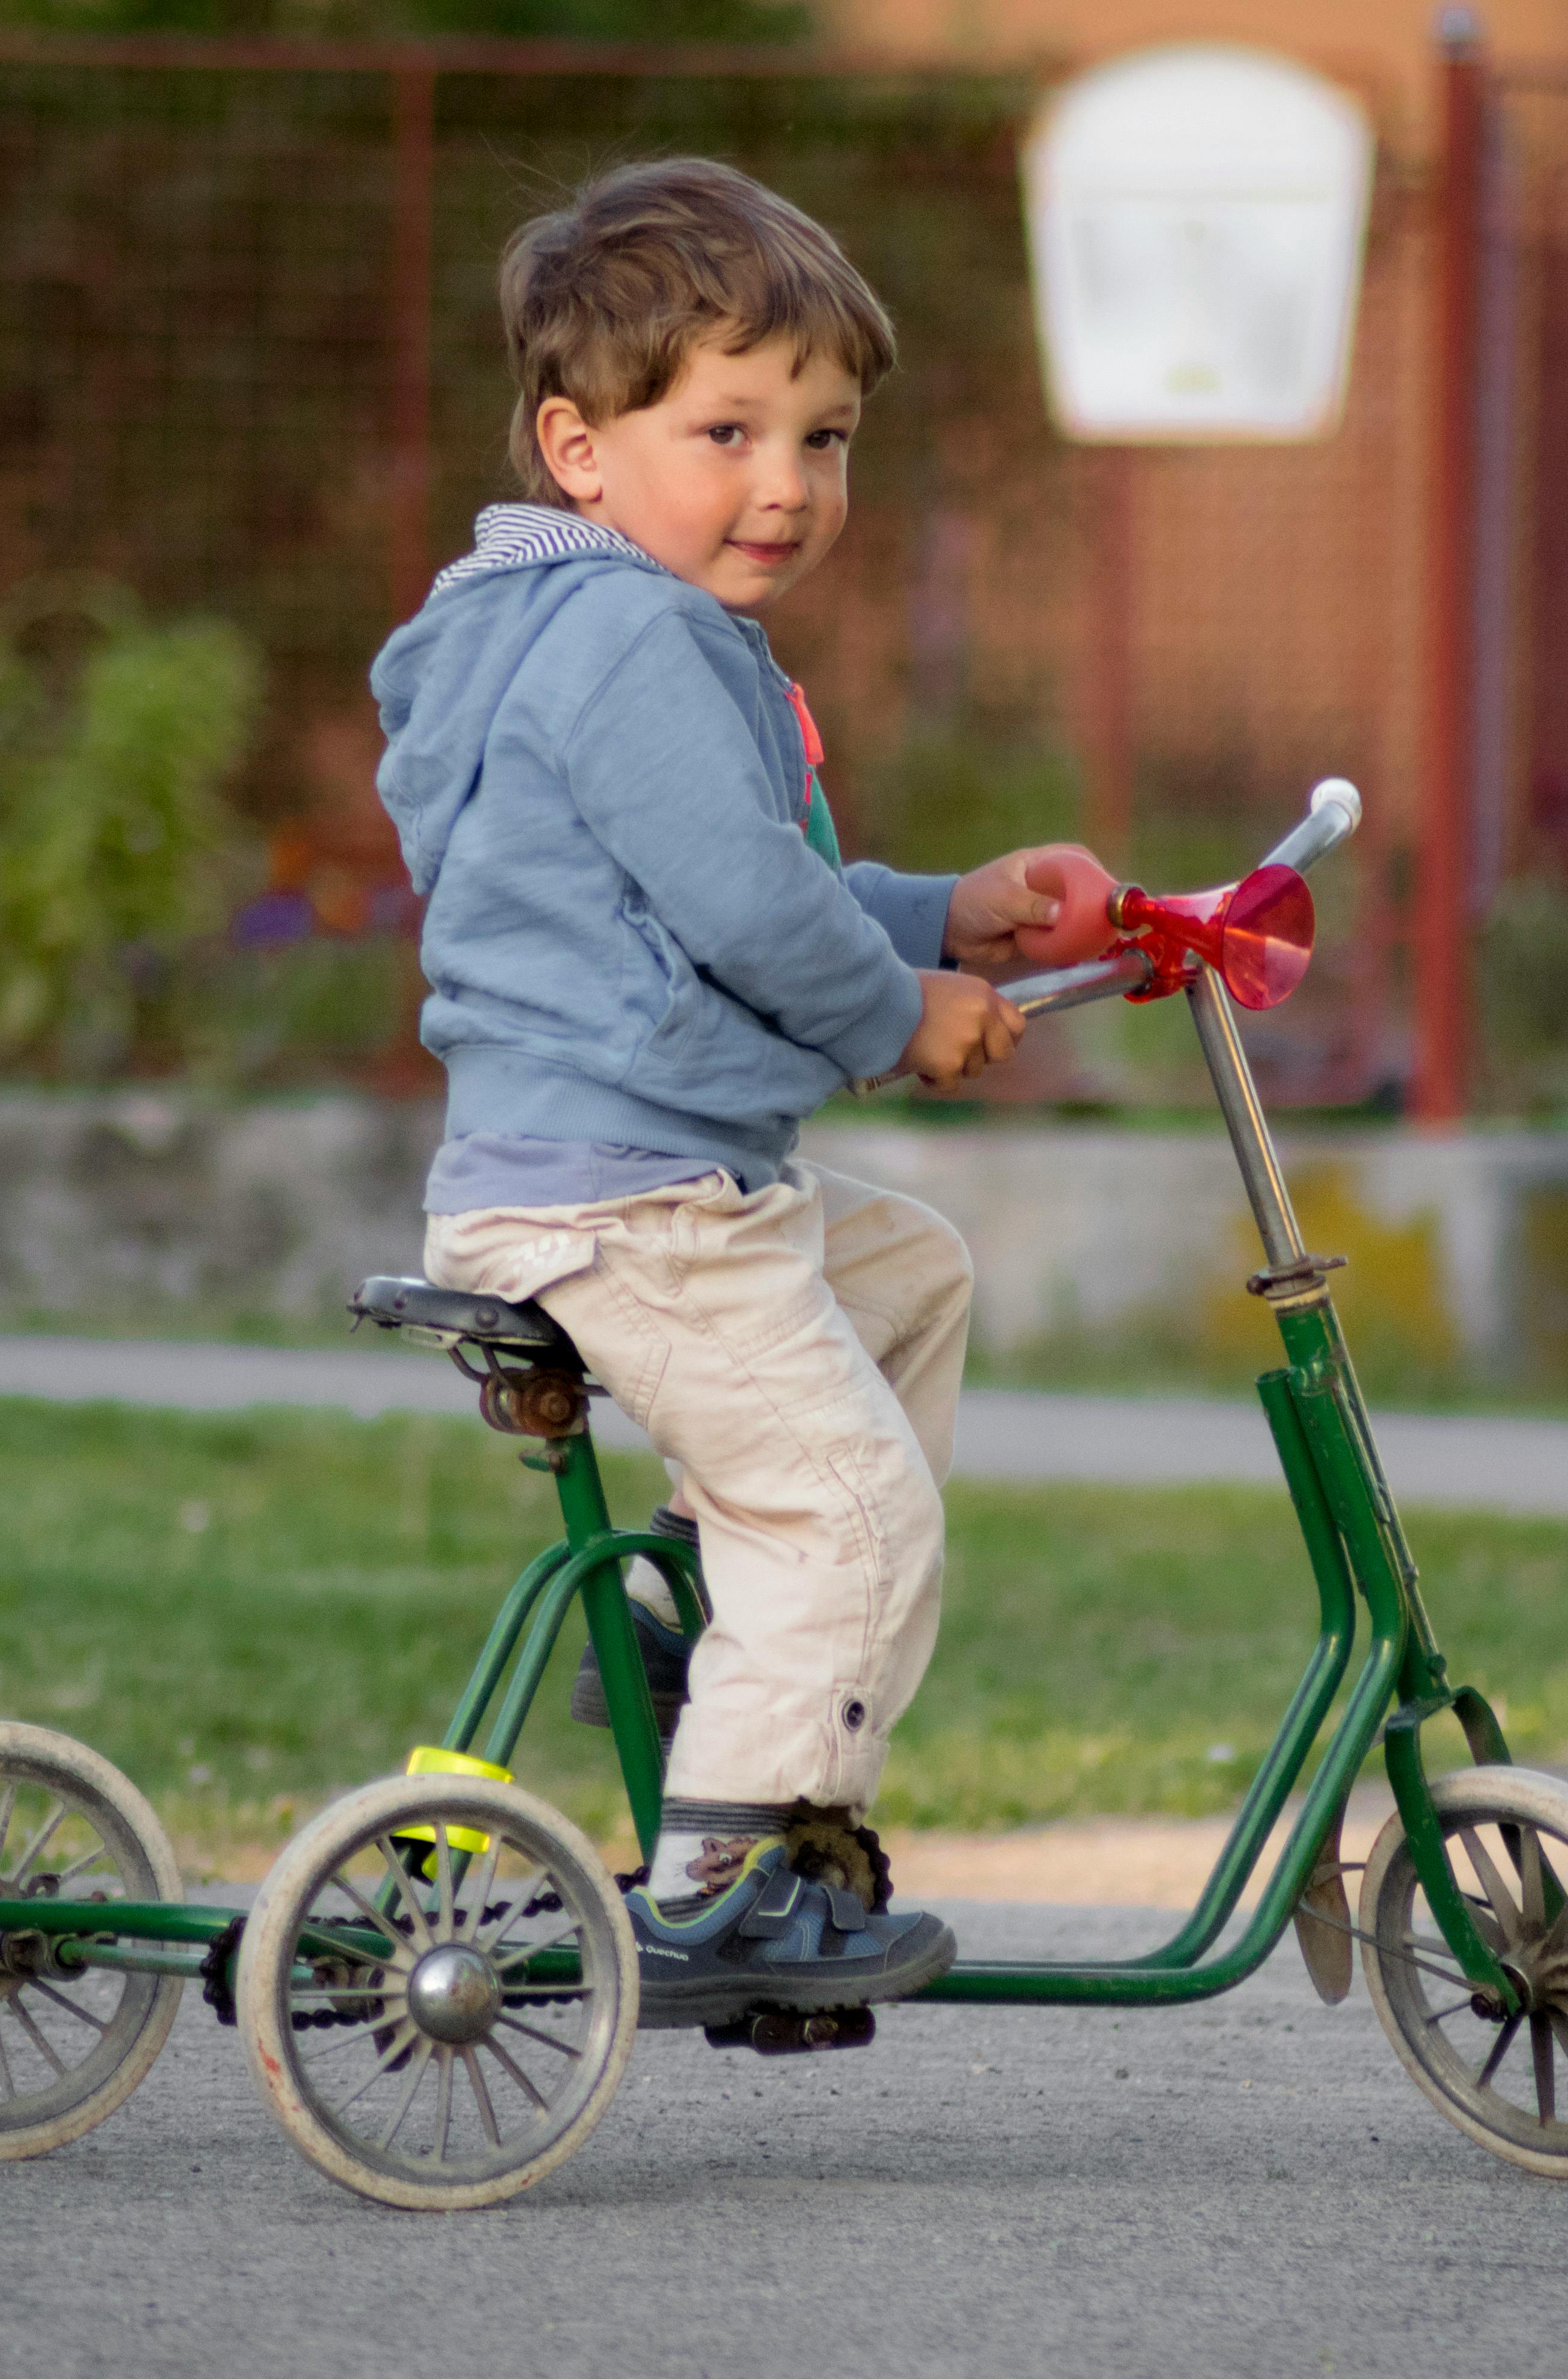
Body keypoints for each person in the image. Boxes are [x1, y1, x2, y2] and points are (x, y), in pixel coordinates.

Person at [370, 157, 1094, 2027]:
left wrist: (955, 919)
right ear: (579, 446)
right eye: (729, 429)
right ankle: (731, 1878)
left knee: (907, 1269)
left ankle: (707, 1623)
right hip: (635, 1197)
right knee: (857, 1518)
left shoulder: (581, 627)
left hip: (611, 1178)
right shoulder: (632, 639)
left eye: (828, 437)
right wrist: (894, 1018)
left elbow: (723, 892)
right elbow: (749, 904)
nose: (788, 484)